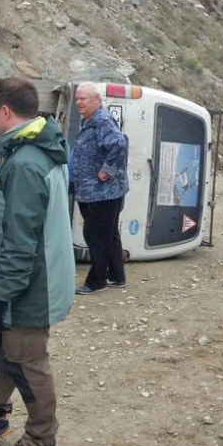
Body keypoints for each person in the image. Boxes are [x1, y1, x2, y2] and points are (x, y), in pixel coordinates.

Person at [0, 77, 75, 446]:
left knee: (28, 359)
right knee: (12, 351)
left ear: (5, 111)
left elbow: (20, 241)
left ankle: (42, 437)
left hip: (29, 286)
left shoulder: (26, 163)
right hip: (30, 279)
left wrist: (4, 294)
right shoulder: (31, 149)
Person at [70, 81, 129, 295]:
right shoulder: (91, 121)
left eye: (83, 98)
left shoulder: (102, 120)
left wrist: (106, 171)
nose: (78, 102)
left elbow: (119, 145)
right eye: (77, 98)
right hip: (98, 193)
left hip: (102, 193)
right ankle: (117, 276)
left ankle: (97, 281)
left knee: (95, 235)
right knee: (109, 234)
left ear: (97, 100)